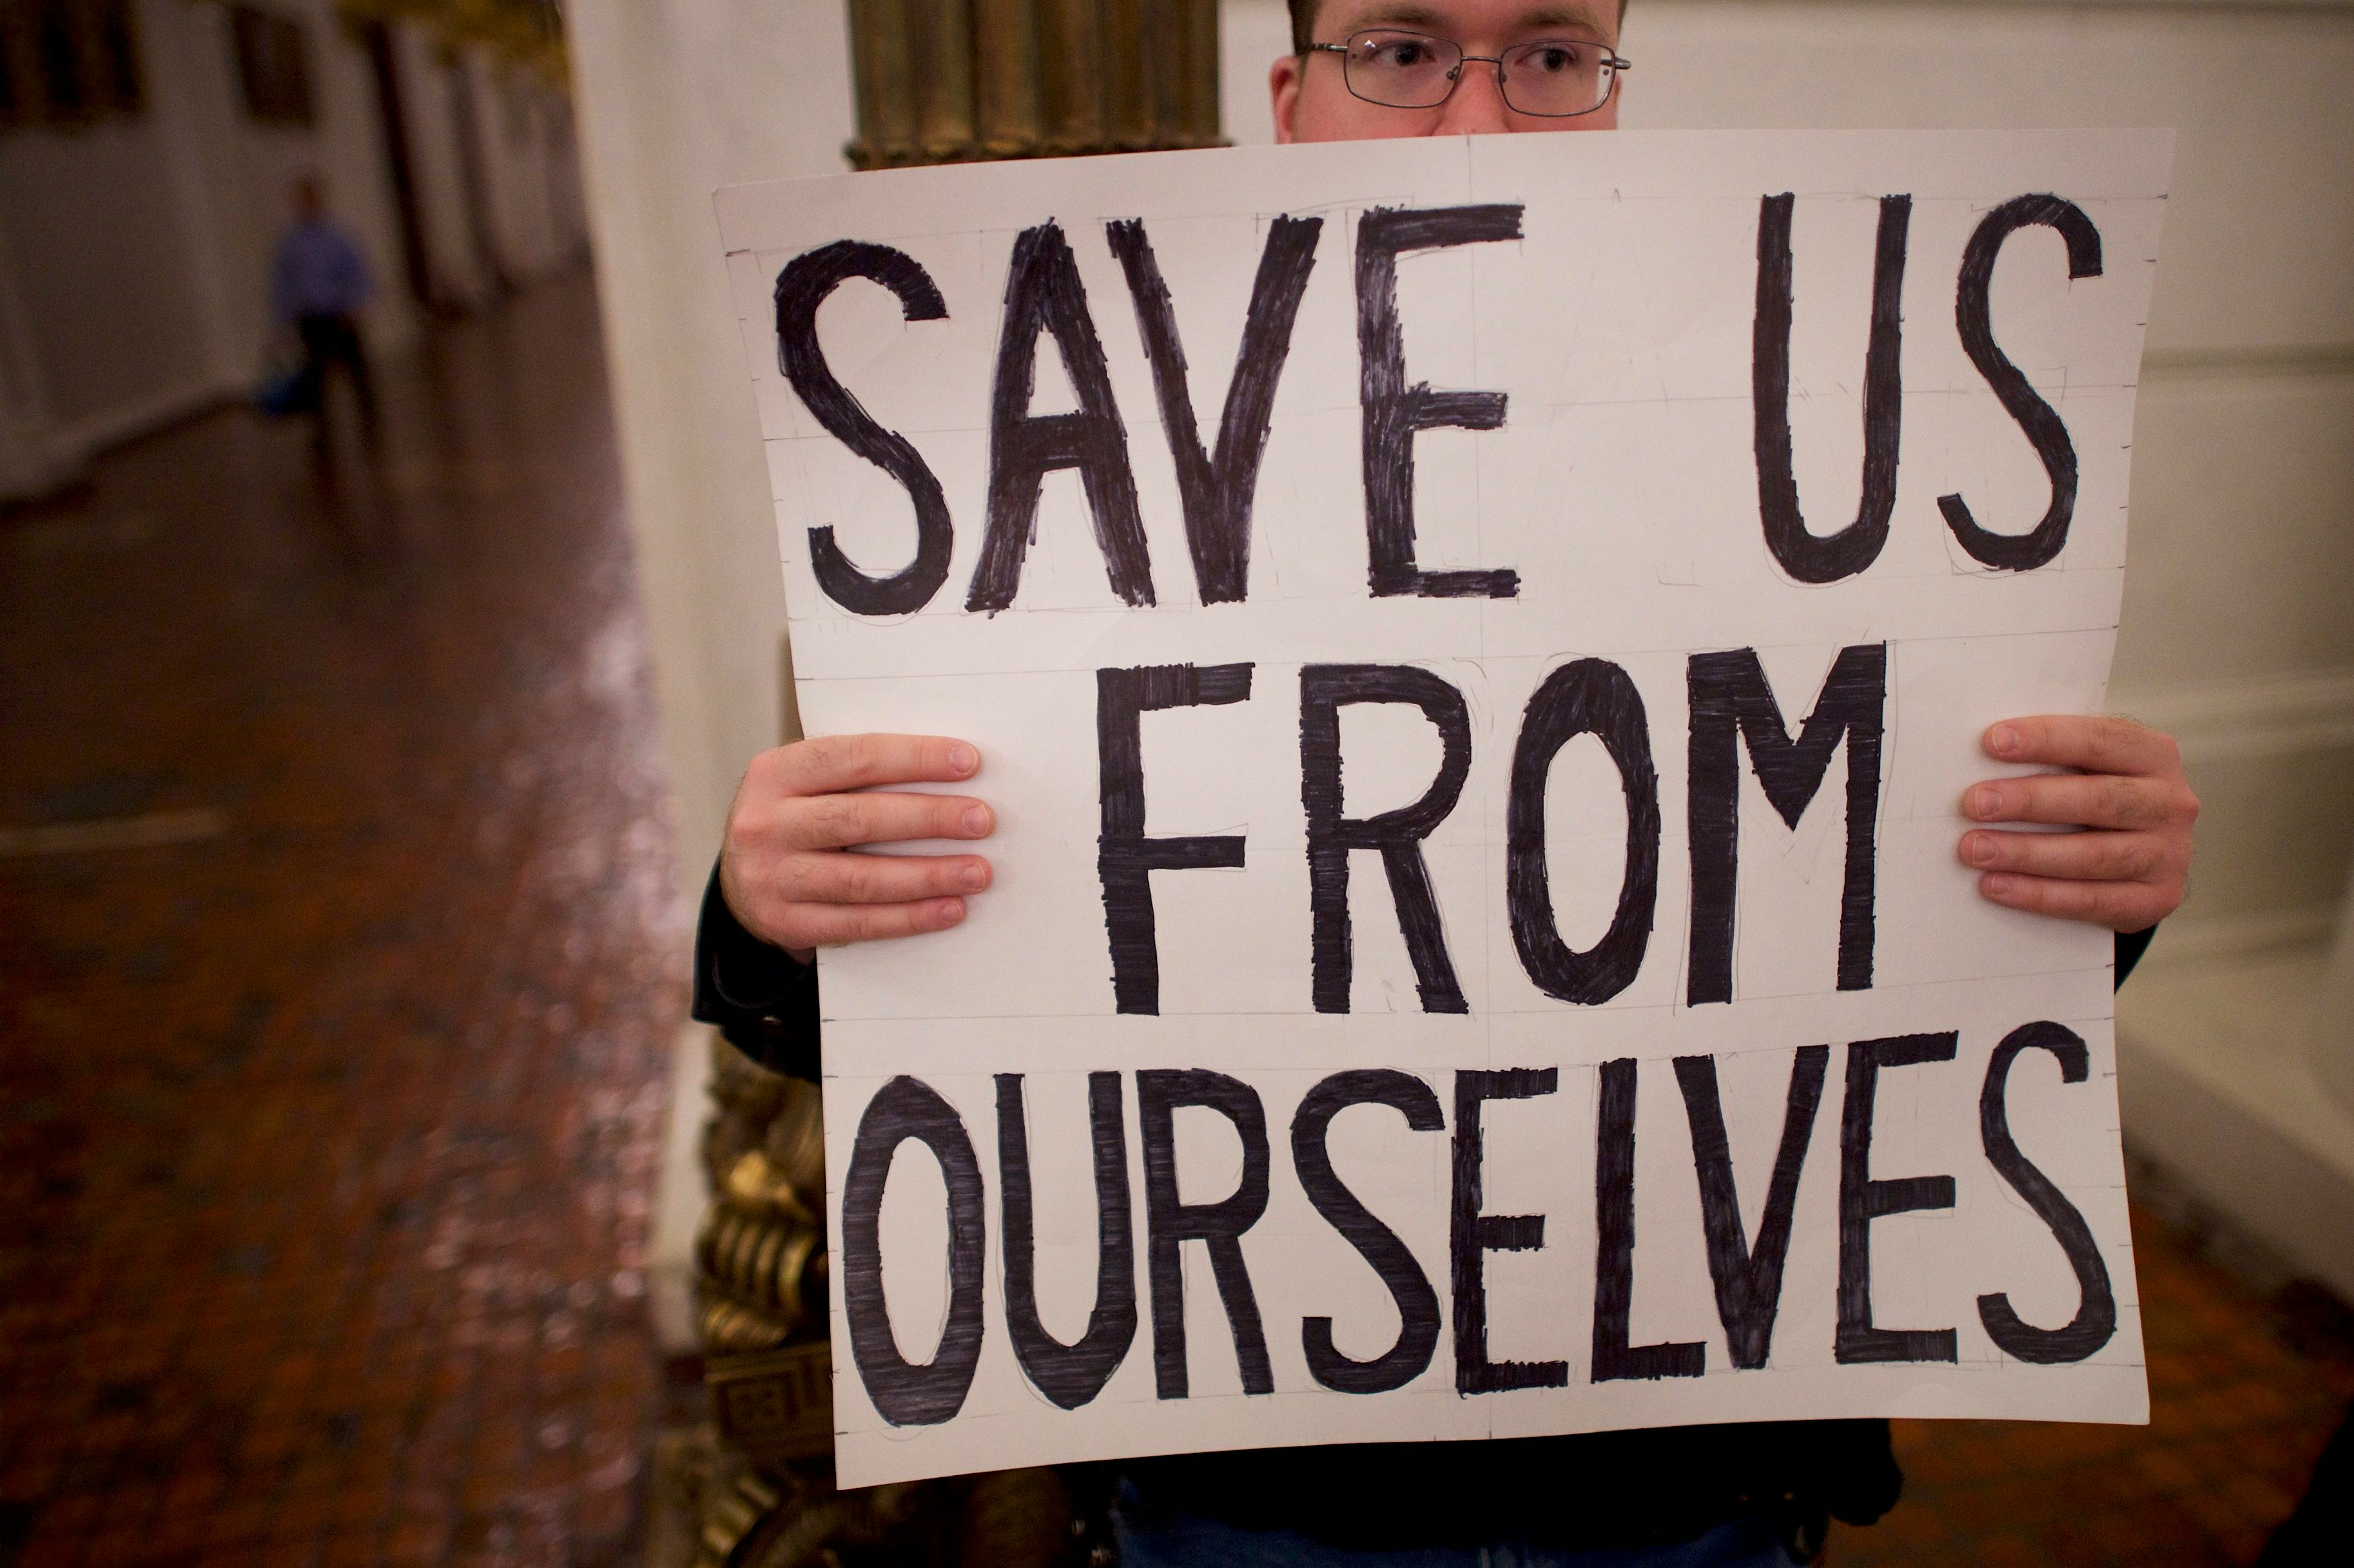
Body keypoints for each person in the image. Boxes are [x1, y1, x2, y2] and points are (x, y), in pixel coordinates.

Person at [694, 2, 2201, 1561]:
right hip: (1254, 1488)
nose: (1479, 124)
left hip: (1682, 1480)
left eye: (1548, 56)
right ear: (1293, 98)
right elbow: (928, 1002)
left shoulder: (1792, 424)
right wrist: (773, 912)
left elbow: (1872, 939)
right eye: (1402, 51)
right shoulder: (1069, 461)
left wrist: (2087, 879)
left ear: (1609, 87)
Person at [270, 175, 380, 454]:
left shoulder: (338, 238)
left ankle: (370, 421)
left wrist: (353, 306)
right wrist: (283, 321)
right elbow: (284, 284)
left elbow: (357, 273)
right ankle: (322, 431)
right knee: (315, 378)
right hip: (311, 319)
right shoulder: (291, 244)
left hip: (340, 316)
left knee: (357, 372)